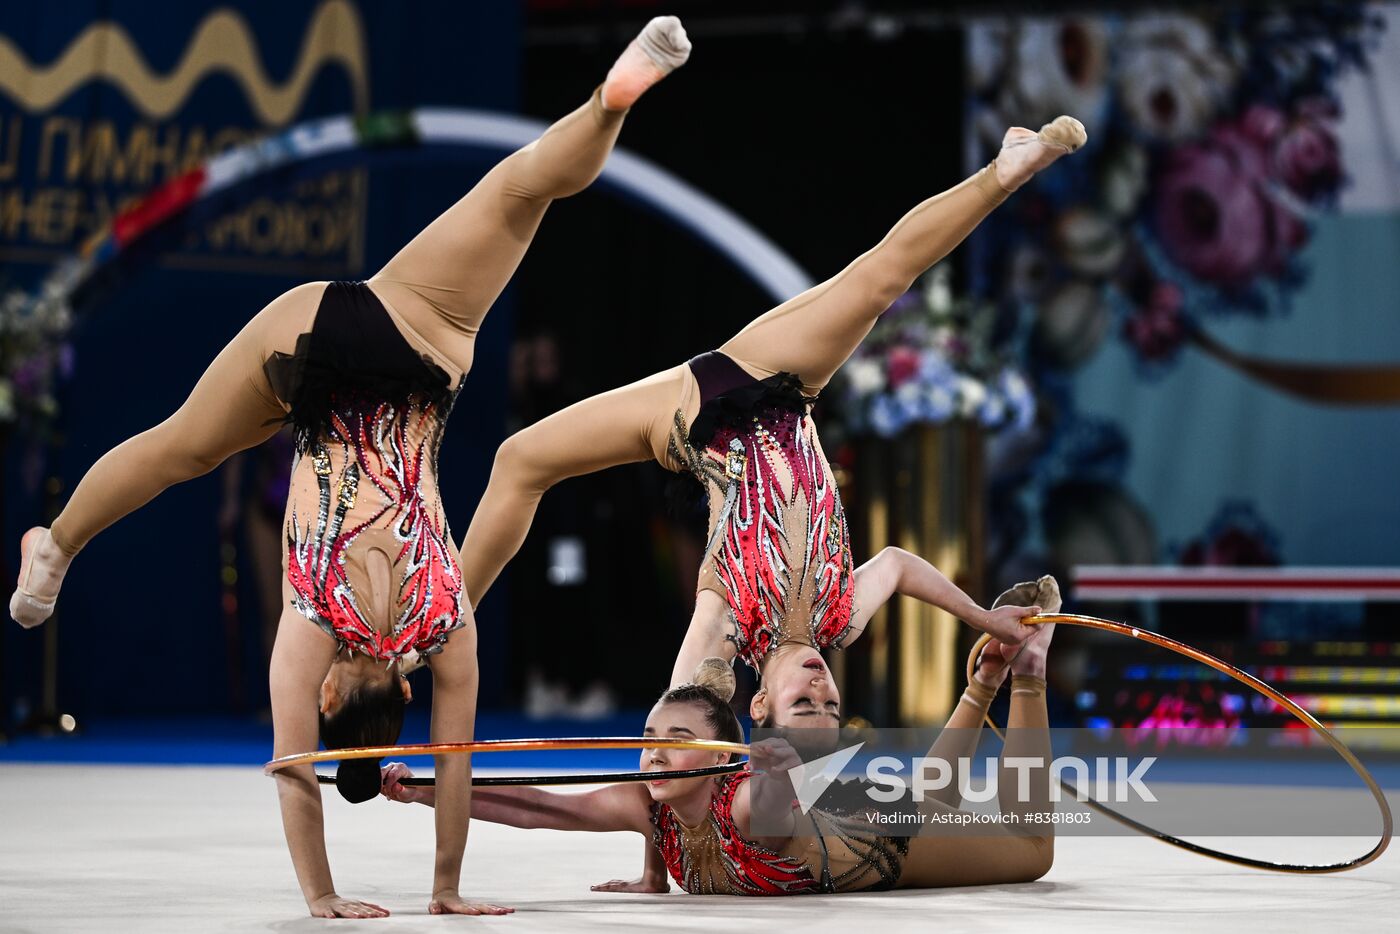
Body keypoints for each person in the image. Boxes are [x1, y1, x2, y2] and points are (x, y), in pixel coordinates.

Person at [7, 16, 694, 918]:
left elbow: (454, 769)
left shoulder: (443, 625)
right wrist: (325, 895)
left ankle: (610, 98)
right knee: (184, 446)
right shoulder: (311, 625)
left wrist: (450, 887)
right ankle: (53, 550)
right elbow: (296, 770)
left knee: (522, 191)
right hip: (314, 336)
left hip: (420, 344)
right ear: (333, 690)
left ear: (395, 692)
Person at [384, 578, 1062, 894]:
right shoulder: (656, 807)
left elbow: (769, 810)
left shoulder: (743, 802)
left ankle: (1025, 671)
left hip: (892, 847)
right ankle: (989, 679)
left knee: (1030, 847)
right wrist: (426, 792)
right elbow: (539, 806)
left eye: (675, 738)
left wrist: (778, 756)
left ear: (719, 759)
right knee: (930, 797)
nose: (653, 750)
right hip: (880, 814)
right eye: (650, 735)